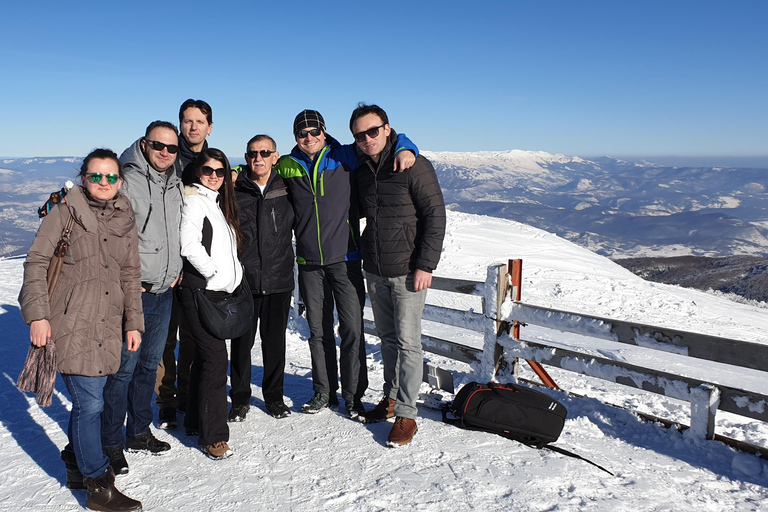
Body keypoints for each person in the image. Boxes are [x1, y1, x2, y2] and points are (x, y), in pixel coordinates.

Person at [19, 149, 144, 511]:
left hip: (109, 324)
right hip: (71, 324)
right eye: (96, 176)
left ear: (120, 180)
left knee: (90, 402)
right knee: (90, 404)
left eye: (111, 176)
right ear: (83, 178)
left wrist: (134, 322)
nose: (104, 182)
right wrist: (38, 316)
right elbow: (36, 262)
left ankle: (75, 462)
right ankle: (99, 484)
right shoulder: (65, 213)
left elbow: (130, 274)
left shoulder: (125, 217)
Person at [275, 109, 417, 419]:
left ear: (324, 132)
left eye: (314, 131)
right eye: (302, 133)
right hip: (309, 263)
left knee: (352, 330)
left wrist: (407, 147)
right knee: (318, 332)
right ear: (295, 137)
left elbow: (385, 141)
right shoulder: (287, 164)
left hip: (346, 259)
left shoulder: (344, 156)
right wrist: (239, 168)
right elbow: (256, 169)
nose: (309, 137)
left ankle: (353, 396)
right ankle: (323, 392)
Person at [350, 104, 446, 447]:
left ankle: (407, 413)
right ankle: (391, 398)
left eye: (372, 131)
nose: (367, 139)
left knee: (408, 343)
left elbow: (435, 215)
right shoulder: (362, 168)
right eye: (359, 135)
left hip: (407, 270)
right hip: (375, 268)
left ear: (387, 129)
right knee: (388, 339)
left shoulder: (413, 164)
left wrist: (426, 265)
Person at [101, 121, 184, 473]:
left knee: (149, 367)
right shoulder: (127, 179)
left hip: (165, 291)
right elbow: (107, 233)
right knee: (122, 371)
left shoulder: (175, 181)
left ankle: (138, 431)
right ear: (145, 144)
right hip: (134, 293)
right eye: (158, 145)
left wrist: (177, 266)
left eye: (171, 148)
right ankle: (110, 442)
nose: (165, 152)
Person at [178, 148, 243, 459]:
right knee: (216, 360)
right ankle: (213, 436)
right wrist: (213, 273)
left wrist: (234, 274)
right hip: (200, 291)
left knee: (206, 359)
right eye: (208, 170)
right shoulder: (195, 201)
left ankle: (195, 420)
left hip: (214, 292)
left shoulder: (216, 202)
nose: (214, 176)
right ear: (197, 172)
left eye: (220, 171)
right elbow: (189, 244)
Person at [155, 99, 213, 430]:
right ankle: (166, 399)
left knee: (193, 335)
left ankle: (188, 395)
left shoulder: (213, 163)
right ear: (180, 124)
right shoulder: (167, 156)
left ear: (209, 127)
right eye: (188, 121)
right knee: (164, 336)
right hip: (166, 261)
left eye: (199, 121)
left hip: (196, 266)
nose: (193, 127)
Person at [229, 135, 295, 421]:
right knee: (241, 343)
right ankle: (240, 399)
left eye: (265, 153)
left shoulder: (287, 188)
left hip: (278, 279)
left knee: (274, 342)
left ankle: (274, 397)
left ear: (275, 157)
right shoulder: (235, 190)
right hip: (245, 281)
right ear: (246, 158)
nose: (259, 158)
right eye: (253, 153)